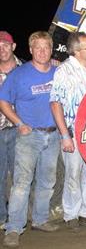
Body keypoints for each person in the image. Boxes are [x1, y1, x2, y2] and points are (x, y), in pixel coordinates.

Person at [0, 31, 60, 248]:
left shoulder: (59, 72)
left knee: (47, 181)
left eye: (46, 47)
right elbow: (3, 101)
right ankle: (14, 228)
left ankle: (40, 219)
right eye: (38, 47)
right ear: (31, 49)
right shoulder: (19, 74)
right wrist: (19, 123)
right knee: (21, 183)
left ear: (51, 49)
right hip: (29, 136)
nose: (42, 51)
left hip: (53, 135)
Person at [50, 31, 86, 232]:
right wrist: (65, 135)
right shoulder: (64, 71)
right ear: (76, 51)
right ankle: (70, 214)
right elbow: (56, 104)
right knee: (73, 173)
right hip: (73, 131)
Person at [0, 31, 23, 230]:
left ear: (13, 46)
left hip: (20, 132)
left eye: (6, 44)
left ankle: (19, 217)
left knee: (21, 177)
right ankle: (1, 217)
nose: (2, 49)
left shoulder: (25, 69)